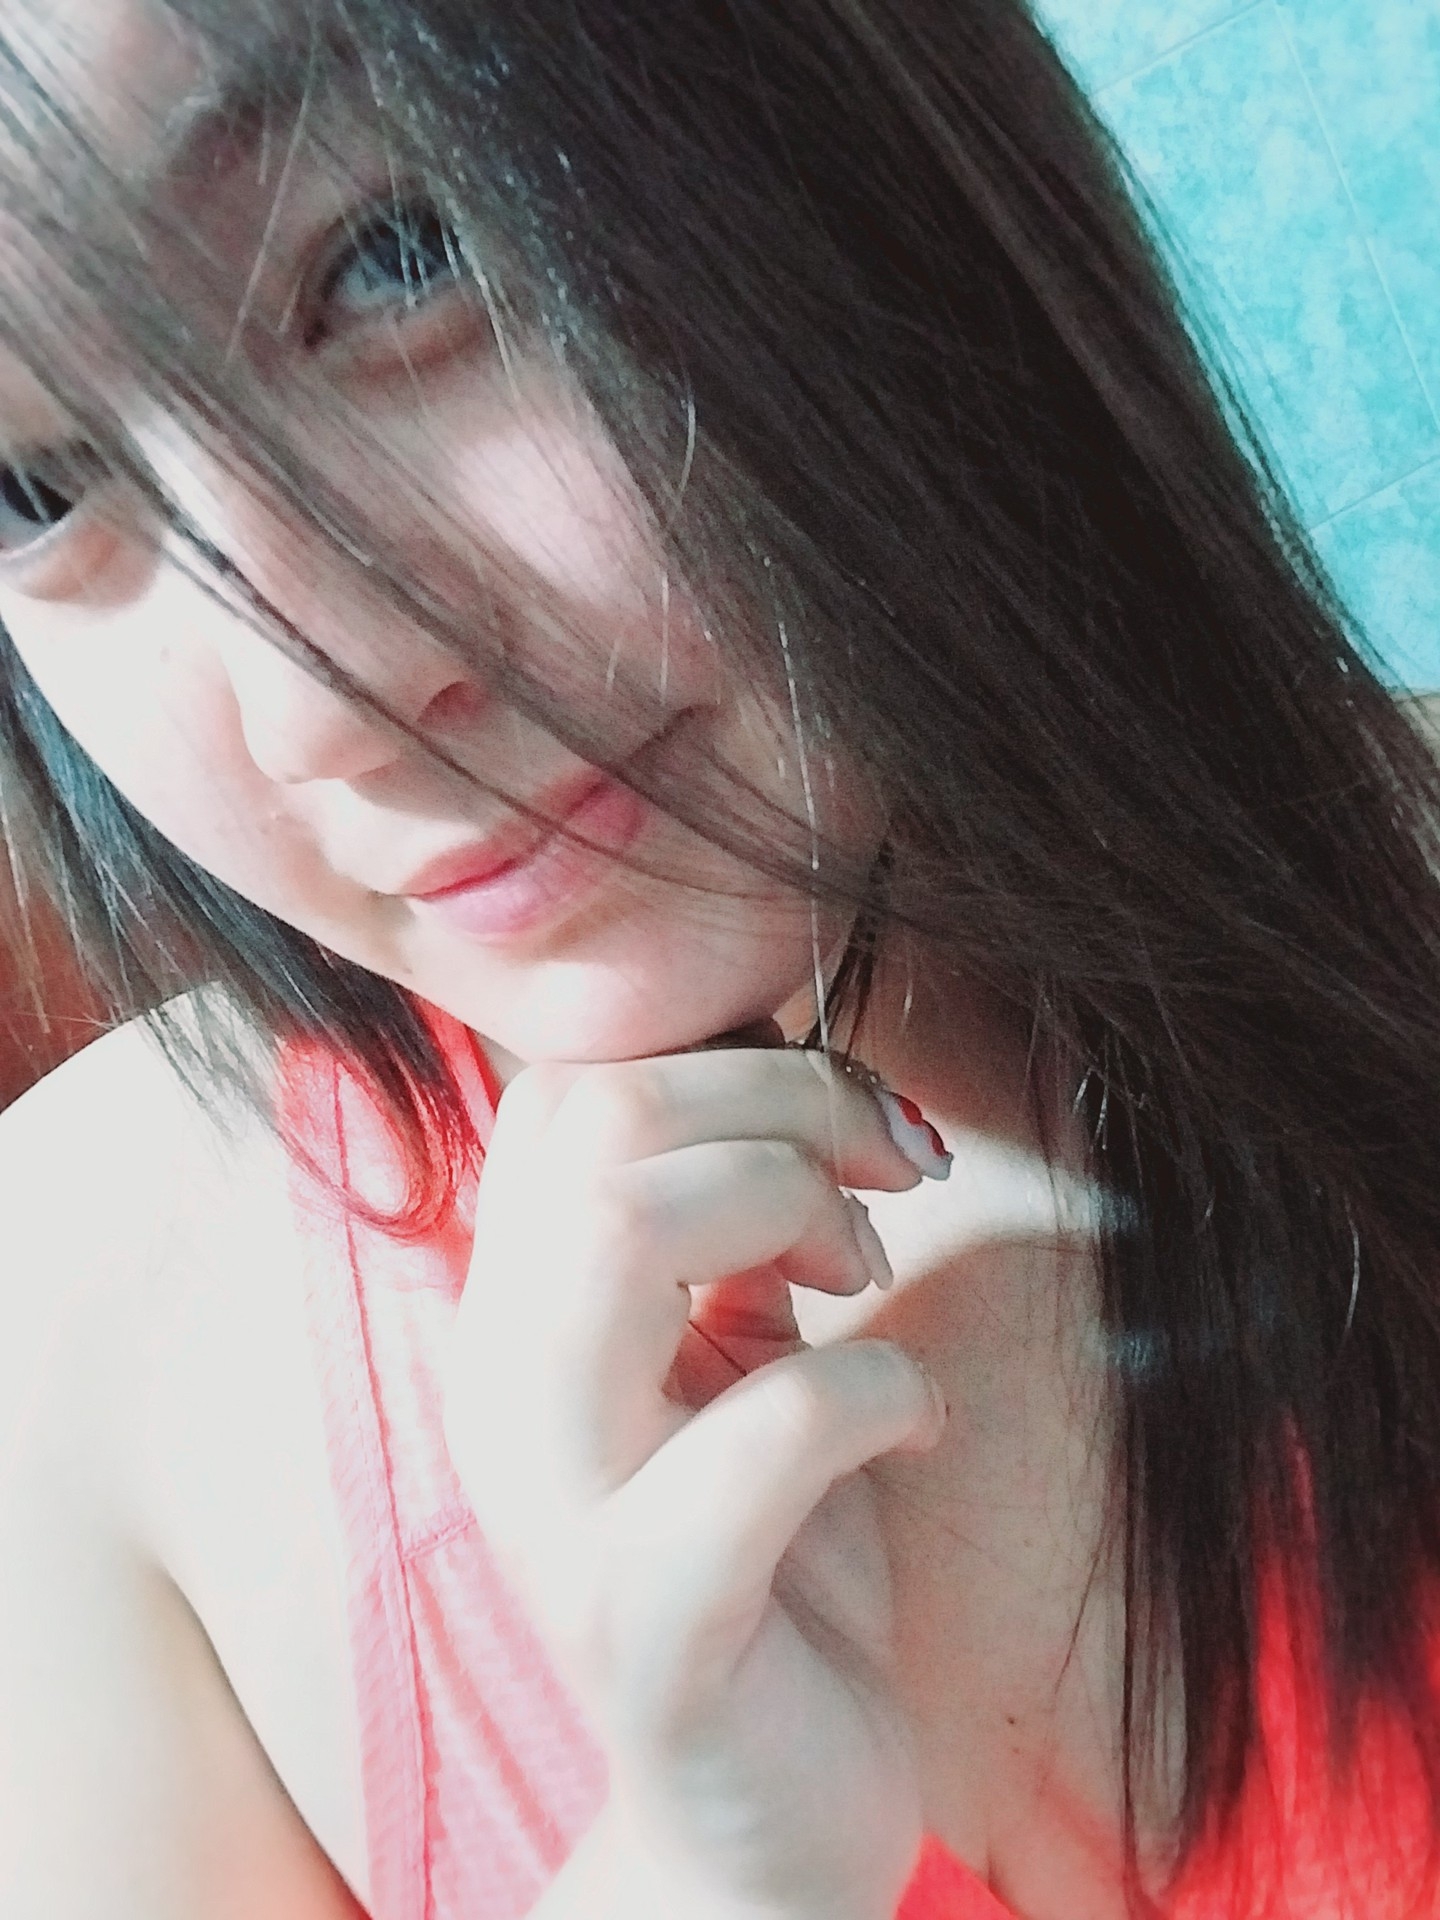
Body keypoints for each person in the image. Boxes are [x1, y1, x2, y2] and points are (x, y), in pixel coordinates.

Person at [1, 2, 1439, 1915]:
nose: (317, 706)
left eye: (398, 254)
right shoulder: (83, 1325)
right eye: (33, 488)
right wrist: (701, 1871)